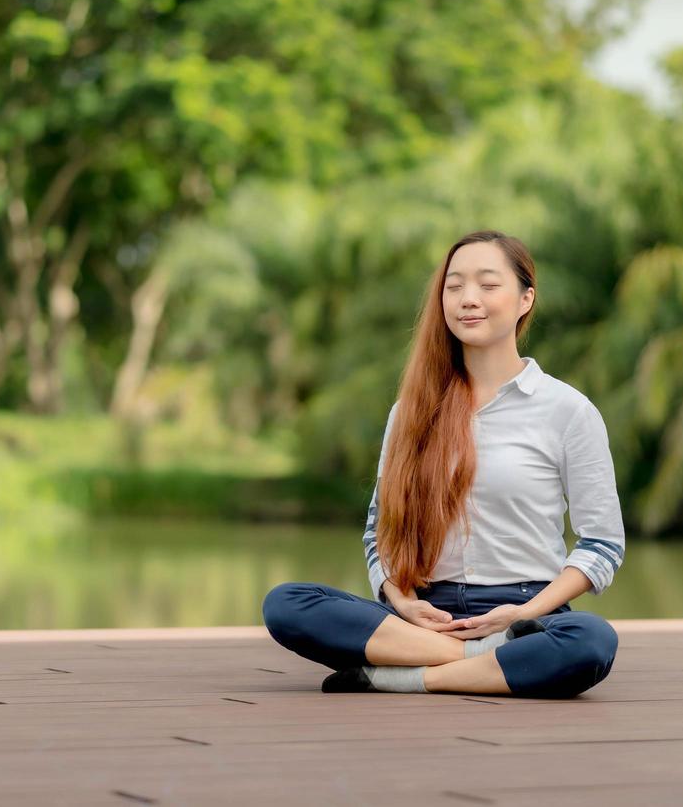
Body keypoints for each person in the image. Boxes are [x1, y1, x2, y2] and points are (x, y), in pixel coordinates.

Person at [262, 230, 623, 697]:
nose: (468, 299)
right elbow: (380, 530)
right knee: (287, 604)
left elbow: (601, 544)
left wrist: (523, 614)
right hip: (421, 615)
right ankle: (481, 663)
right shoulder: (412, 410)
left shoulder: (567, 410)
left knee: (590, 642)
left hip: (525, 614)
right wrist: (400, 601)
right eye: (454, 287)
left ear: (525, 299)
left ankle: (403, 675)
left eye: (487, 285)